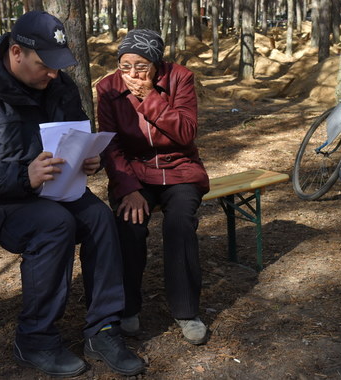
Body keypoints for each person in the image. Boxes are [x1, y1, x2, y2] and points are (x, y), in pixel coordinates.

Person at [0, 11, 145, 377]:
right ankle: (35, 338)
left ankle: (103, 329)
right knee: (54, 225)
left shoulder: (58, 85)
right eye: (44, 65)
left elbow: (72, 134)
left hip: (46, 186)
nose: (52, 74)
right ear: (16, 52)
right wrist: (22, 175)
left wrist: (84, 160)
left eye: (57, 66)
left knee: (98, 219)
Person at [96, 29, 210, 345]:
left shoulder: (181, 78)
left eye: (141, 66)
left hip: (180, 169)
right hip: (134, 172)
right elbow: (110, 145)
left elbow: (186, 132)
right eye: (124, 66)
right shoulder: (107, 88)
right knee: (128, 223)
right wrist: (127, 187)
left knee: (180, 223)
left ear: (156, 64)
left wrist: (150, 98)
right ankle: (127, 307)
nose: (132, 74)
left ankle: (187, 311)